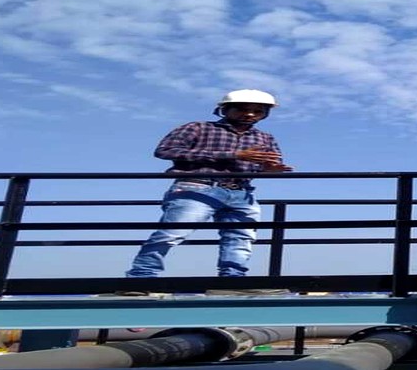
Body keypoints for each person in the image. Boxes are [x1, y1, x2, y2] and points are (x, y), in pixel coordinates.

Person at [124, 89, 292, 283]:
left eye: (258, 111)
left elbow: (265, 166)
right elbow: (165, 151)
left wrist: (269, 170)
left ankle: (232, 282)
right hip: (197, 186)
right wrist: (234, 155)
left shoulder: (265, 138)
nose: (250, 114)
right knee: (172, 233)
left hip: (241, 192)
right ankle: (140, 279)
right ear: (224, 109)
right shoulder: (197, 127)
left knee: (240, 238)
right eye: (242, 109)